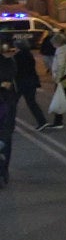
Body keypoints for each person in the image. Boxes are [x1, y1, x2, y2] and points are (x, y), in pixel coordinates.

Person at [14, 37, 46, 131]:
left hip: (21, 83)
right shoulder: (29, 55)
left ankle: (8, 123)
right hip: (31, 81)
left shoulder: (17, 57)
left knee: (11, 103)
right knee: (31, 102)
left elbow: (15, 70)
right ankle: (42, 121)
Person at [0, 41, 19, 187]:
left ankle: (3, 168)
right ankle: (4, 169)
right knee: (6, 138)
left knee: (5, 137)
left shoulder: (7, 63)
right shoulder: (8, 63)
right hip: (7, 106)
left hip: (5, 106)